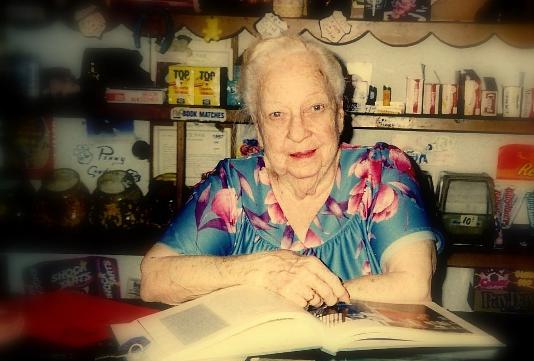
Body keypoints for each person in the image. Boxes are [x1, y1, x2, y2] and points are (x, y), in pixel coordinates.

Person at [140, 35, 442, 308]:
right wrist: (258, 271)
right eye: (276, 114)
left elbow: (413, 286)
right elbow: (154, 278)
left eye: (315, 108)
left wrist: (305, 296)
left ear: (339, 114)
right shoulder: (231, 185)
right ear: (259, 129)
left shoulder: (382, 174)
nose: (297, 132)